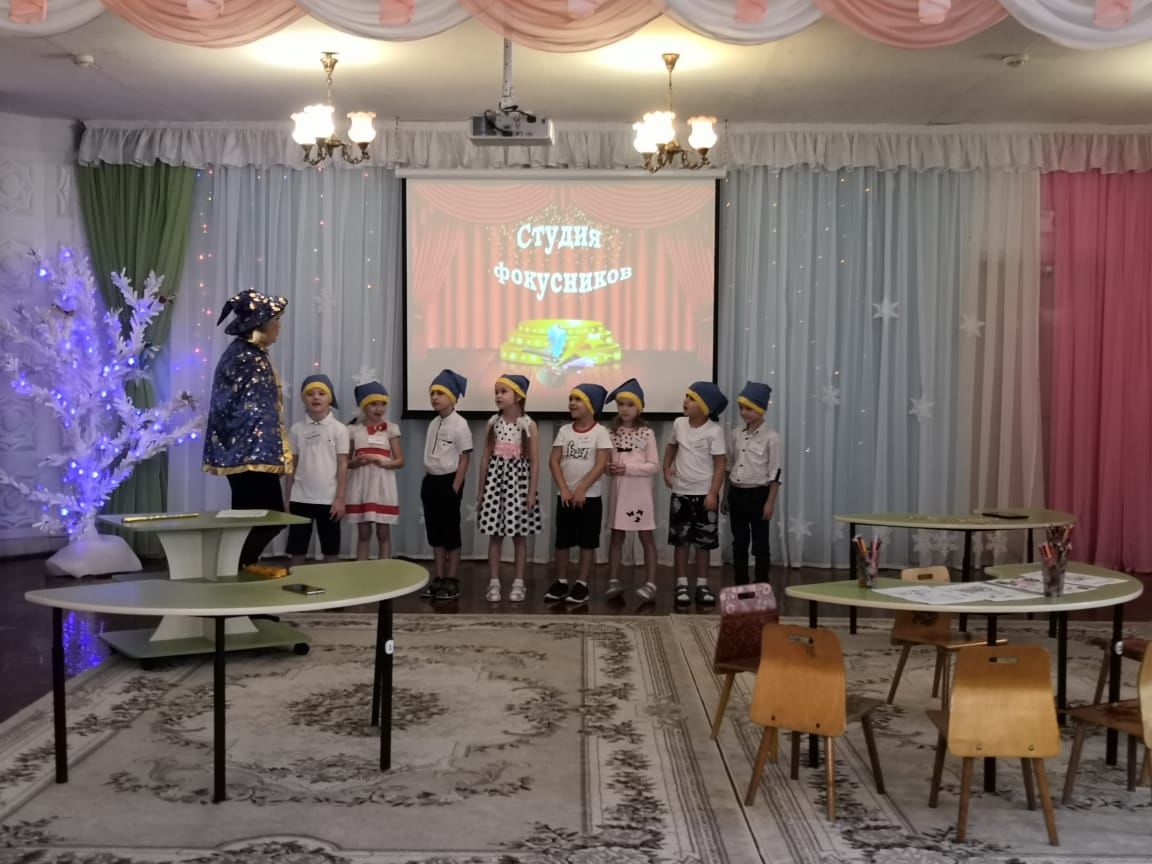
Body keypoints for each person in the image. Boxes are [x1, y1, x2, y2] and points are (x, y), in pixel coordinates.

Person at [202, 290, 292, 567]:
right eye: (275, 321)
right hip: (249, 458)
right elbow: (246, 414)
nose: (279, 327)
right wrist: (266, 456)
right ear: (260, 324)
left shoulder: (249, 354)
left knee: (262, 518)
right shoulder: (245, 358)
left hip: (252, 455)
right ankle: (234, 567)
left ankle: (239, 566)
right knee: (264, 517)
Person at [476, 373, 542, 603]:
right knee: (495, 535)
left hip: (518, 485)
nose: (498, 396)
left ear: (518, 396)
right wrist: (481, 491)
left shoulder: (528, 425)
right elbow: (485, 458)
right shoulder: (493, 423)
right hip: (496, 483)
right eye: (496, 391)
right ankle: (494, 582)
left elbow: (534, 462)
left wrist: (531, 493)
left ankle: (519, 582)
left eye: (503, 391)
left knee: (519, 536)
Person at [545, 383, 612, 606]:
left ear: (591, 405)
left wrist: (582, 489)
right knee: (562, 540)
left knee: (587, 541)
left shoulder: (601, 432)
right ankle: (561, 581)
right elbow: (554, 461)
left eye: (578, 399)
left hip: (589, 498)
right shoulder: (565, 431)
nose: (572, 403)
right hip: (565, 496)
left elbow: (601, 464)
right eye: (570, 399)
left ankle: (582, 583)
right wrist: (564, 488)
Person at [663, 381, 728, 608]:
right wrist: (666, 468)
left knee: (703, 543)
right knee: (681, 541)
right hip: (681, 493)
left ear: (705, 406)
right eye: (686, 396)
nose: (685, 401)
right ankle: (681, 584)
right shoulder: (679, 424)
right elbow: (671, 446)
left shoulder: (714, 431)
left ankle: (702, 584)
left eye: (692, 399)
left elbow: (720, 464)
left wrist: (713, 493)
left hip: (704, 495)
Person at [603, 379, 660, 603]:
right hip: (619, 492)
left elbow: (653, 465)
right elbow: (607, 464)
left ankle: (651, 582)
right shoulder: (611, 433)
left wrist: (629, 469)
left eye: (630, 404)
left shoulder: (646, 433)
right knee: (617, 535)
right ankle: (613, 580)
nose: (624, 409)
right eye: (621, 404)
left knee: (646, 535)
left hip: (639, 493)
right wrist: (609, 468)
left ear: (639, 408)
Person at [282, 374, 349, 565]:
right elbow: (291, 466)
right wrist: (288, 498)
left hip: (329, 499)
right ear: (304, 399)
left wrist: (340, 499)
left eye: (321, 393)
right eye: (310, 394)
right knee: (297, 549)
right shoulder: (296, 429)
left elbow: (343, 465)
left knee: (331, 548)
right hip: (300, 498)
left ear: (330, 398)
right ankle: (296, 579)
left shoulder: (339, 429)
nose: (316, 397)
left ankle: (331, 582)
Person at [723, 381, 782, 589]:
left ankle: (761, 584)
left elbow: (775, 473)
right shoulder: (736, 434)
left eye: (749, 408)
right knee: (739, 542)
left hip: (759, 495)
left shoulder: (772, 438)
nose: (744, 413)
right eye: (741, 408)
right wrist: (725, 496)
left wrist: (770, 502)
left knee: (760, 543)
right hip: (736, 494)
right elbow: (729, 466)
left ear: (761, 409)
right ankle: (740, 583)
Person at [421, 369, 473, 602]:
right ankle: (439, 577)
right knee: (435, 533)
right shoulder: (434, 423)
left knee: (450, 532)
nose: (435, 397)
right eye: (432, 393)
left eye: (440, 393)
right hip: (431, 482)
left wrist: (455, 487)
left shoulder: (460, 425)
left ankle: (452, 579)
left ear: (452, 397)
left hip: (449, 482)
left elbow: (464, 458)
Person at [345, 381, 403, 560]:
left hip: (383, 485)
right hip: (361, 486)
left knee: (383, 533)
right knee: (363, 533)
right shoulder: (353, 430)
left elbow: (400, 461)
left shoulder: (391, 428)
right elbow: (346, 462)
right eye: (373, 404)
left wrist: (382, 463)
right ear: (364, 406)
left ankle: (384, 570)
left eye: (383, 404)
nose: (379, 408)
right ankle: (361, 570)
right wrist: (356, 462)